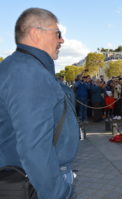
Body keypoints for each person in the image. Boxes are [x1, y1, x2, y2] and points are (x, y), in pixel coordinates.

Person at [0, 8, 79, 199]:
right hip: (37, 183)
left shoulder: (21, 67)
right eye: (57, 34)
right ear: (35, 33)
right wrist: (59, 193)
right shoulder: (28, 72)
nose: (62, 40)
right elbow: (34, 148)